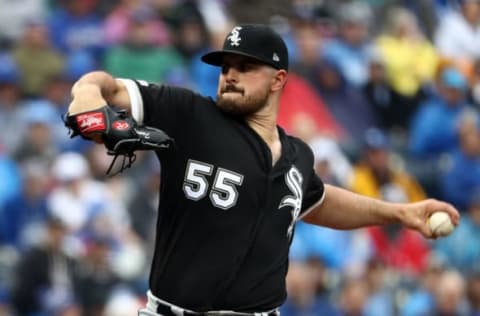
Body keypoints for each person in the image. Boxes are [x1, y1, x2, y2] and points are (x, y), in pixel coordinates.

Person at [66, 24, 460, 316]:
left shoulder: (298, 156)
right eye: (225, 67)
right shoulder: (190, 115)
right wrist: (87, 99)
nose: (230, 75)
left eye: (244, 66)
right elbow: (103, 86)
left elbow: (317, 201)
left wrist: (400, 212)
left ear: (278, 80)